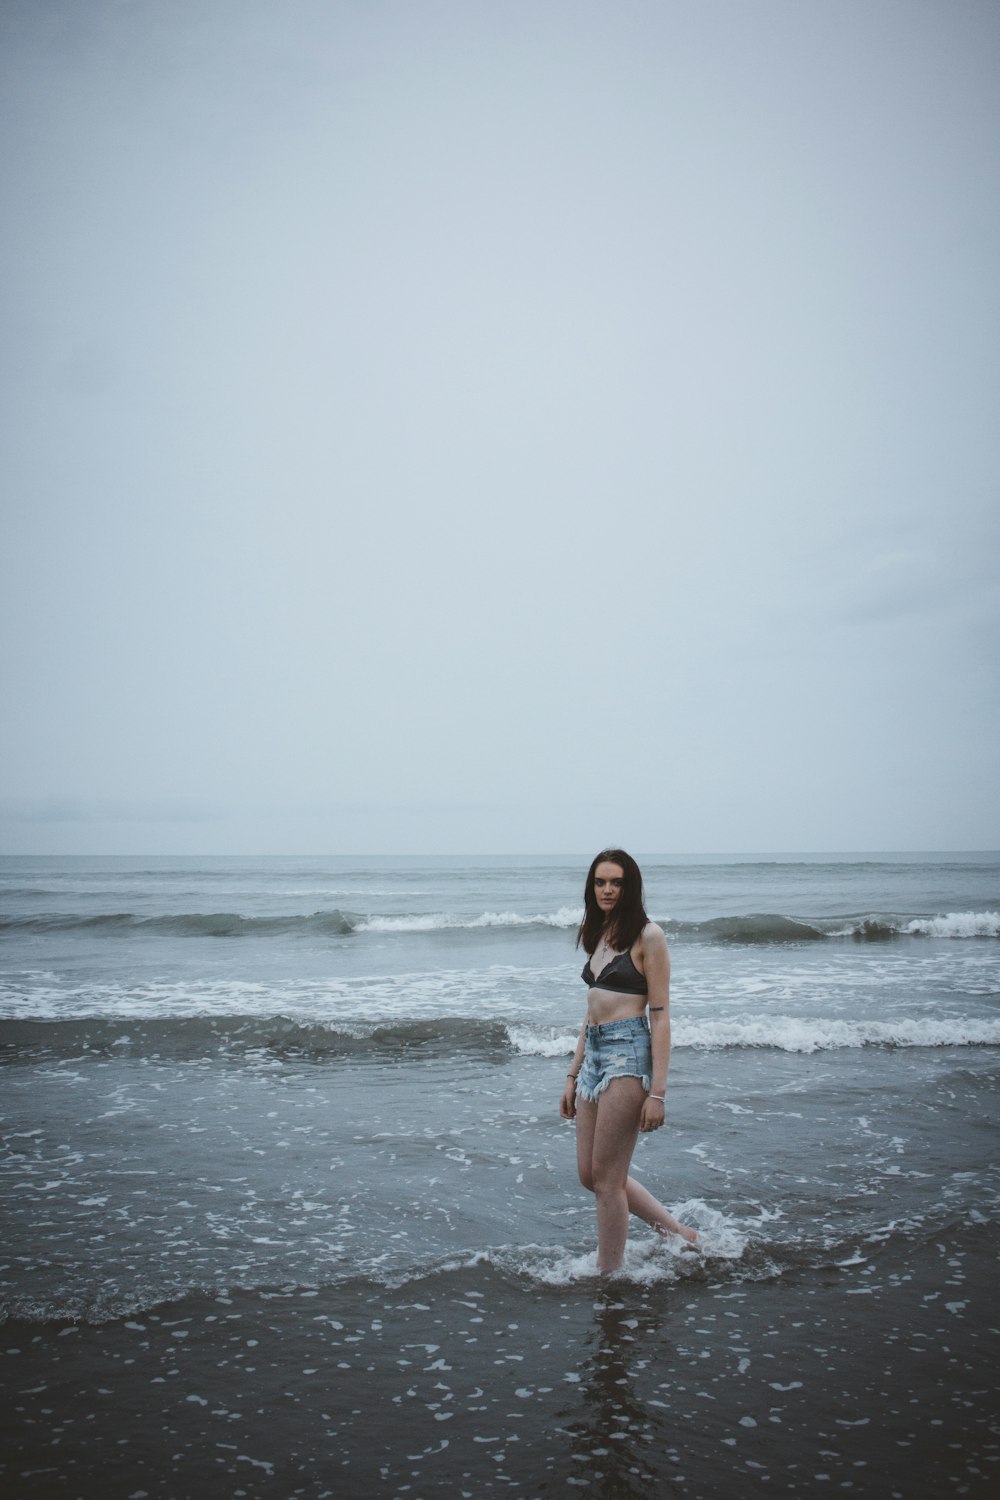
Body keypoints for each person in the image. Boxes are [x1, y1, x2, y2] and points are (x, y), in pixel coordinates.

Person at [560, 848, 697, 1272]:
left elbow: (660, 1015)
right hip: (596, 1053)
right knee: (591, 1175)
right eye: (600, 882)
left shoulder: (648, 936)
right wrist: (572, 1073)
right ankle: (679, 1233)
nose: (607, 890)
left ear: (630, 886)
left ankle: (609, 1274)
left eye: (616, 882)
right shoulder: (597, 932)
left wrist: (658, 1093)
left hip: (629, 1054)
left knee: (607, 1180)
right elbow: (590, 1012)